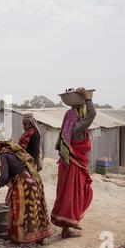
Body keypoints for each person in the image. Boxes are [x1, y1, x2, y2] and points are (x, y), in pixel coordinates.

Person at [0, 130, 53, 245]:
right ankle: (40, 238)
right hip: (34, 180)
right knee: (35, 209)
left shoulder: (2, 155)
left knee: (20, 210)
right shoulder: (14, 151)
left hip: (23, 183)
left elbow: (4, 176)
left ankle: (19, 238)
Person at [51, 87, 96, 238]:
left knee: (67, 193)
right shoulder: (77, 126)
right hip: (74, 164)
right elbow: (92, 114)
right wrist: (87, 98)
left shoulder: (69, 118)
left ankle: (67, 226)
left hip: (67, 162)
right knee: (76, 193)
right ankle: (67, 227)